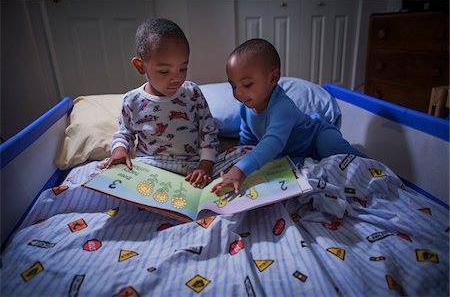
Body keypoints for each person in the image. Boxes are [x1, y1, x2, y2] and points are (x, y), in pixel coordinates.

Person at [211, 38, 366, 194]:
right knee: (292, 171)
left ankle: (372, 167)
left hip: (317, 136)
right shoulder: (245, 108)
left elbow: (273, 142)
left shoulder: (281, 107)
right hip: (293, 154)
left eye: (247, 85)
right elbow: (248, 140)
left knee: (334, 151)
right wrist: (239, 159)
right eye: (233, 85)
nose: (238, 92)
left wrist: (241, 169)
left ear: (273, 78)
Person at [104, 18, 220, 188]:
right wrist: (119, 150)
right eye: (164, 71)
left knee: (243, 157)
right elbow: (124, 134)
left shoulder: (193, 93)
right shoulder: (132, 101)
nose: (177, 78)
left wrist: (205, 167)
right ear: (140, 66)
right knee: (95, 175)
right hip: (150, 167)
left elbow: (209, 132)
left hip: (192, 168)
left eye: (183, 68)